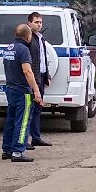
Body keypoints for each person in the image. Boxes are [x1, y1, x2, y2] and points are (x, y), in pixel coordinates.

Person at [1, 22, 43, 162]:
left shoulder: (9, 48)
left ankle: (7, 150)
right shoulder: (24, 50)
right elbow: (27, 71)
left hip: (10, 88)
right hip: (22, 91)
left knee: (10, 120)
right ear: (28, 36)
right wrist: (36, 90)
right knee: (23, 121)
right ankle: (18, 152)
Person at [25, 11, 55, 147]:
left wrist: (47, 74)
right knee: (28, 110)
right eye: (36, 22)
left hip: (41, 76)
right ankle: (25, 140)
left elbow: (43, 59)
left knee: (38, 108)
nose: (39, 25)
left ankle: (36, 137)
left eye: (40, 22)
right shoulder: (28, 39)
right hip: (32, 78)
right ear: (29, 23)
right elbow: (27, 62)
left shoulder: (40, 38)